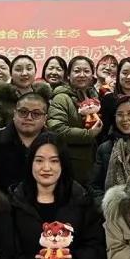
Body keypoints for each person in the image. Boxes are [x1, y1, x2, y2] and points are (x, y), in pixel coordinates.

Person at [47, 55, 102, 184]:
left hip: (92, 163)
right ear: (68, 75)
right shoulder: (61, 98)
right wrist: (88, 134)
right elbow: (56, 129)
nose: (82, 75)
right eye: (77, 71)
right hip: (70, 164)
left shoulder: (95, 98)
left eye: (86, 71)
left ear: (92, 75)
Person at [0, 92, 51, 193]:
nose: (29, 117)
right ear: (14, 114)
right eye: (23, 112)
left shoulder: (53, 144)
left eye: (36, 114)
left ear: (45, 119)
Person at [92, 94, 130, 197]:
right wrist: (107, 204)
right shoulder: (105, 148)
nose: (125, 119)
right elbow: (94, 187)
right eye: (120, 114)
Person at [0, 54, 53, 135]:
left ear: (35, 71)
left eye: (29, 69)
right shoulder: (2, 97)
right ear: (11, 73)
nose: (24, 73)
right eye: (18, 69)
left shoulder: (44, 97)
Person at [97, 57, 130, 144]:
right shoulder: (108, 99)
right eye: (125, 73)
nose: (129, 77)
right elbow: (103, 131)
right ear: (118, 75)